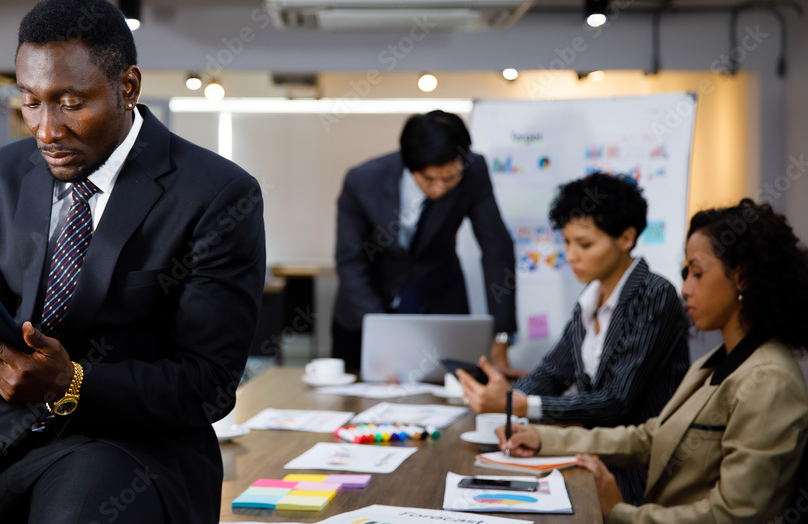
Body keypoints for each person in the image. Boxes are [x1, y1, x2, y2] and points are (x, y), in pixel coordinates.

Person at [0, 0, 266, 524]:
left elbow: (208, 385)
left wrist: (73, 383)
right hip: (3, 436)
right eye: (30, 100)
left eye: (69, 102)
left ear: (127, 87)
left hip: (137, 449)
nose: (44, 129)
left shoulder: (216, 193)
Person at [498, 199, 808, 523]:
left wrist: (623, 514)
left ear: (741, 277)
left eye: (698, 274)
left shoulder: (769, 380)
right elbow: (651, 437)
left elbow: (733, 514)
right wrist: (544, 439)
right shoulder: (715, 363)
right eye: (686, 274)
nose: (685, 289)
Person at [456, 172, 690, 505]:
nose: (571, 255)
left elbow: (616, 400)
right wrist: (505, 399)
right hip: (591, 456)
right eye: (566, 242)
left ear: (626, 238)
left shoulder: (654, 294)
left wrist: (518, 404)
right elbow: (553, 372)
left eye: (584, 244)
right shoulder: (591, 296)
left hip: (639, 471)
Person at [332, 110, 517, 373]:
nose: (439, 189)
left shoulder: (474, 172)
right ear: (410, 166)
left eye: (451, 177)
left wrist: (501, 336)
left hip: (441, 311)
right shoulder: (363, 181)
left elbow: (497, 249)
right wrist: (385, 336)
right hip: (367, 313)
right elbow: (350, 262)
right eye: (429, 179)